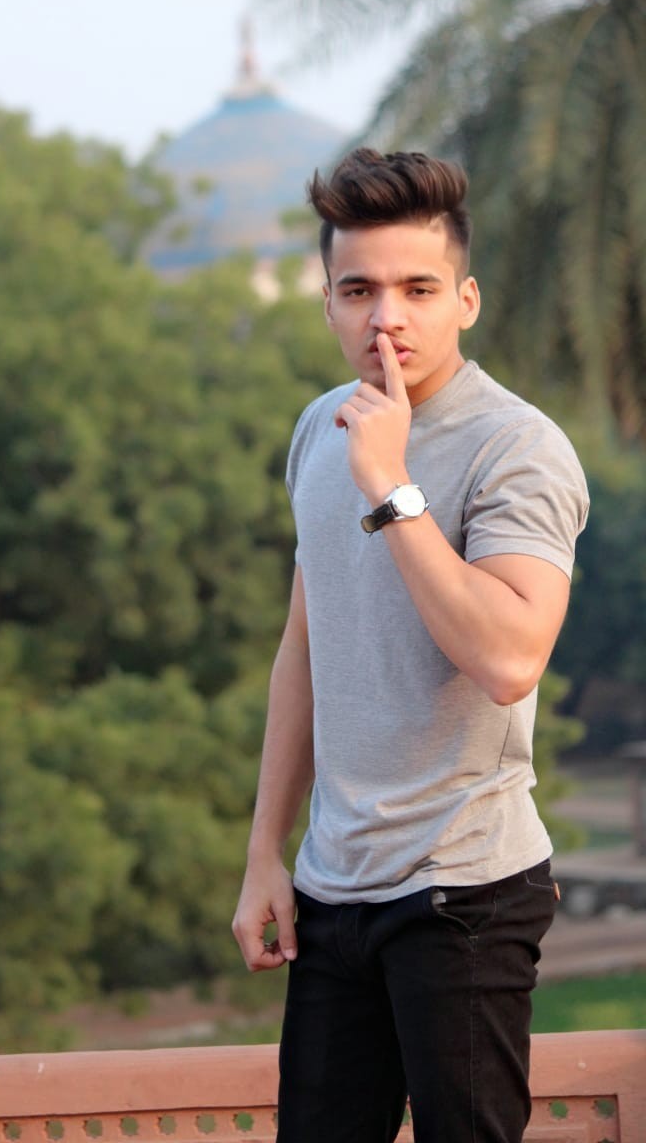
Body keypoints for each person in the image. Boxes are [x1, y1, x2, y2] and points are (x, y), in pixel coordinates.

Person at [232, 149, 589, 1143]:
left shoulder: (516, 447)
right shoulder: (321, 430)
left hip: (465, 891)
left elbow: (508, 660)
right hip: (331, 890)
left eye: (417, 289)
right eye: (357, 290)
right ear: (326, 303)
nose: (384, 317)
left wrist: (391, 486)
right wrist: (264, 854)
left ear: (465, 300)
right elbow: (304, 650)